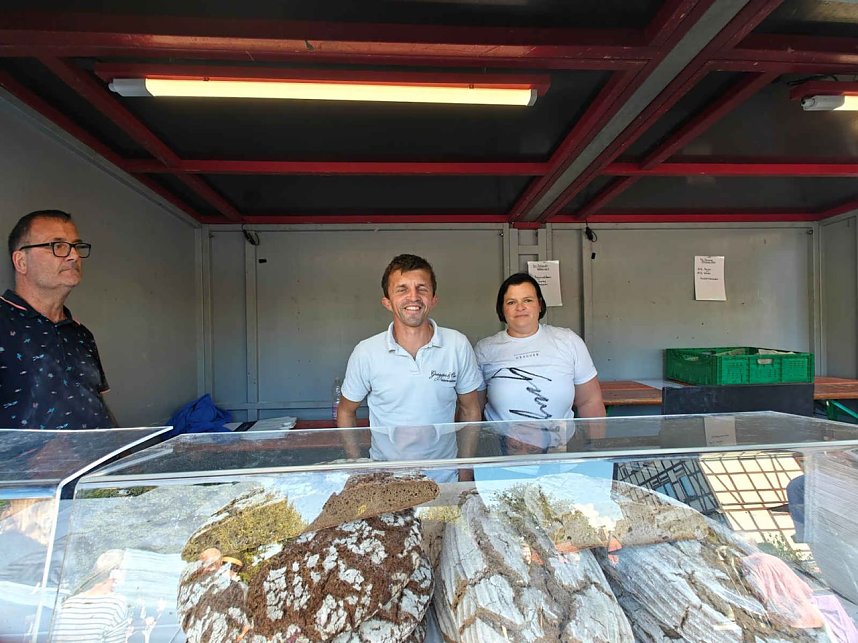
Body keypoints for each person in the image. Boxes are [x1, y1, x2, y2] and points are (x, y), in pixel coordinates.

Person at [337, 254, 484, 480]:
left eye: (422, 288)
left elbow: (471, 409)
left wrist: (465, 471)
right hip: (386, 479)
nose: (413, 297)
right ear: (387, 302)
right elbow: (346, 410)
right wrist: (359, 469)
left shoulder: (456, 344)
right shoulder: (366, 352)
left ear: (433, 299)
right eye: (402, 289)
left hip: (444, 476)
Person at [1, 209, 115, 429]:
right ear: (21, 261)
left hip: (98, 462)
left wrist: (124, 455)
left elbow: (97, 404)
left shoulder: (81, 334)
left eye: (76, 246)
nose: (73, 256)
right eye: (58, 246)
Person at [475, 273, 605, 422]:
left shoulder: (569, 341)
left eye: (528, 300)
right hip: (502, 444)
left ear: (540, 304)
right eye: (511, 302)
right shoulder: (485, 349)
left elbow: (590, 401)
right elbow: (474, 409)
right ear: (502, 309)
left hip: (561, 444)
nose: (520, 307)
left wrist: (594, 444)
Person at [52, 549, 131, 643]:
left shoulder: (70, 603)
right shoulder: (116, 604)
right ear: (114, 572)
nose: (127, 575)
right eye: (126, 570)